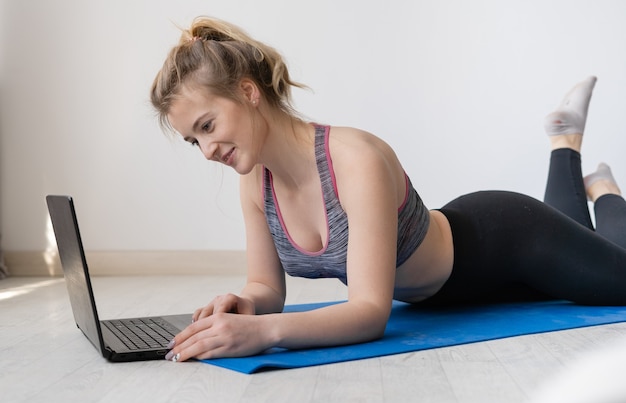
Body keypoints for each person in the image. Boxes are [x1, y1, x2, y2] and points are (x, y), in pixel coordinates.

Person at [150, 16, 626, 362]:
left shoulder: (356, 159)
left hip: (505, 239)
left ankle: (602, 187)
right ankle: (567, 146)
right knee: (586, 258)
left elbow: (369, 312)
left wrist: (262, 334)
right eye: (195, 140)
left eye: (208, 125)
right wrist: (245, 305)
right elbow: (265, 289)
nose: (207, 149)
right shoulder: (255, 181)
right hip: (450, 292)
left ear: (249, 92)